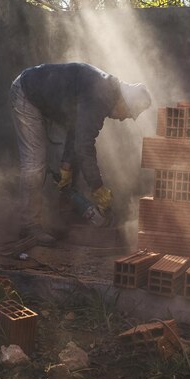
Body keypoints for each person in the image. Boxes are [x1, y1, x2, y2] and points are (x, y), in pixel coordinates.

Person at [9, 62, 152, 245]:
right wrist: (97, 188)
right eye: (129, 114)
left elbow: (76, 128)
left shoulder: (105, 92)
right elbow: (84, 145)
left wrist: (66, 166)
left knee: (66, 163)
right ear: (124, 101)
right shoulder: (100, 96)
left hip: (45, 102)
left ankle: (60, 219)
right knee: (35, 163)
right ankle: (28, 227)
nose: (124, 119)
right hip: (26, 94)